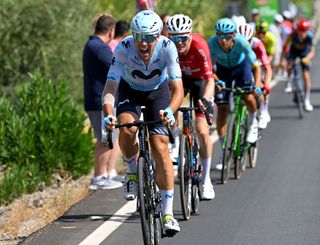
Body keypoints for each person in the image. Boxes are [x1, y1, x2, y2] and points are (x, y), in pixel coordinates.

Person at [102, 10, 184, 234]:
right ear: (133, 36)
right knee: (126, 128)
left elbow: (177, 89)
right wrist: (108, 113)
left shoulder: (167, 47)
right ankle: (131, 172)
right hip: (131, 91)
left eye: (150, 38)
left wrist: (169, 109)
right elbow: (110, 87)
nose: (144, 43)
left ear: (158, 37)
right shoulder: (124, 48)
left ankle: (168, 214)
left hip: (159, 92)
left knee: (160, 146)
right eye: (139, 37)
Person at [166, 14, 215, 200]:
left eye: (183, 38)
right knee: (170, 104)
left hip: (199, 82)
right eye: (174, 38)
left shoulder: (199, 46)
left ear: (190, 35)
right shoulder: (167, 48)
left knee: (202, 131)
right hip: (179, 81)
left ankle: (207, 180)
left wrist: (206, 100)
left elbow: (210, 79)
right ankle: (176, 142)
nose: (179, 43)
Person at [207, 18, 262, 170]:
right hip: (222, 72)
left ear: (233, 36)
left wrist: (256, 86)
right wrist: (217, 81)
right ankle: (224, 151)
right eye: (220, 36)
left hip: (241, 69)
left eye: (227, 36)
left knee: (249, 96)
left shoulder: (242, 42)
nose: (223, 40)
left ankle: (253, 123)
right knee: (222, 109)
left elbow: (256, 67)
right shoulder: (212, 43)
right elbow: (209, 70)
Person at [82, 13, 123, 190]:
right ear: (111, 31)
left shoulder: (92, 45)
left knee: (106, 137)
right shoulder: (100, 47)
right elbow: (117, 67)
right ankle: (99, 176)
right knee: (105, 138)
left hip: (95, 99)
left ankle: (105, 174)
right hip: (100, 101)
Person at [237, 23, 272, 129]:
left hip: (255, 67)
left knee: (258, 89)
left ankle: (262, 111)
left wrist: (266, 85)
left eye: (247, 41)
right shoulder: (234, 44)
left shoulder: (258, 44)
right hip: (242, 67)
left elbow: (267, 68)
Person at [283, 18, 315, 111]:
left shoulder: (309, 36)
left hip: (304, 53)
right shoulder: (292, 35)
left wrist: (307, 58)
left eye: (304, 31)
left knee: (306, 76)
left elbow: (312, 51)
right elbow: (285, 46)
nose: (302, 33)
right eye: (301, 31)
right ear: (297, 30)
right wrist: (287, 57)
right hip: (293, 51)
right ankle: (289, 81)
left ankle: (307, 100)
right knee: (289, 65)